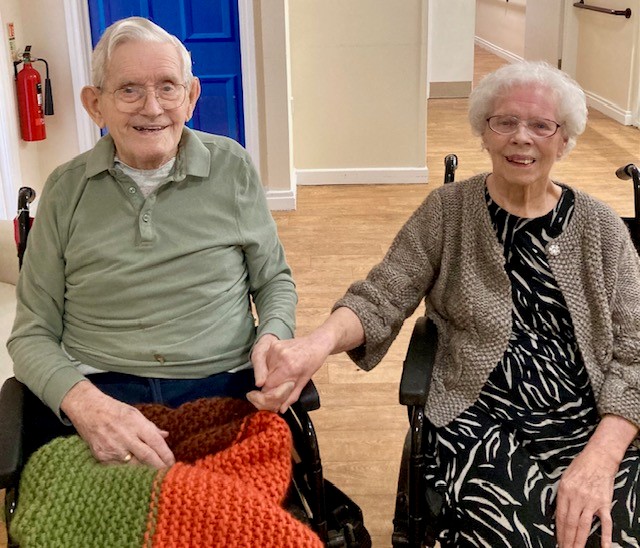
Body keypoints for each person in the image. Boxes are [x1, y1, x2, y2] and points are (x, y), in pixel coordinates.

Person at [248, 61, 640, 547]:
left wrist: (602, 455)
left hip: (592, 417)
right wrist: (316, 343)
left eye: (542, 125)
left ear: (564, 140)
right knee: (519, 533)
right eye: (505, 122)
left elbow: (635, 346)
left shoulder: (602, 228)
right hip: (479, 417)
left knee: (613, 529)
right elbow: (382, 294)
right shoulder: (448, 212)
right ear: (484, 132)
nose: (522, 137)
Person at [7, 17, 296, 470]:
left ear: (192, 97)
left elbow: (274, 281)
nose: (152, 107)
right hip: (102, 393)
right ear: (95, 104)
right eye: (128, 90)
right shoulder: (65, 190)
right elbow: (30, 334)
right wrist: (86, 405)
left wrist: (274, 336)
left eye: (167, 87)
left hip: (222, 386)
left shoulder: (232, 169)